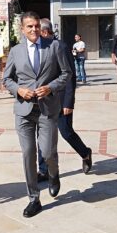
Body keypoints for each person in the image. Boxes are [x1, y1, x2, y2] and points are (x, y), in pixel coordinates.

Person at [3, 12, 72, 218]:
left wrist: (51, 87)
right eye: (29, 27)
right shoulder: (16, 51)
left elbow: (66, 74)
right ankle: (34, 198)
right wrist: (19, 90)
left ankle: (53, 173)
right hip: (24, 111)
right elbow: (7, 79)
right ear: (22, 29)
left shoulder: (54, 46)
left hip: (47, 109)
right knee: (28, 153)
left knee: (48, 152)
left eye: (36, 26)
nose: (34, 30)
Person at [37, 20, 92, 180]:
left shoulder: (61, 46)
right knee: (43, 135)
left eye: (38, 31)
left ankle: (85, 153)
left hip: (61, 100)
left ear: (45, 32)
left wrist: (69, 102)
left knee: (66, 132)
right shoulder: (38, 48)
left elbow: (69, 75)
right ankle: (43, 170)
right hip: (44, 100)